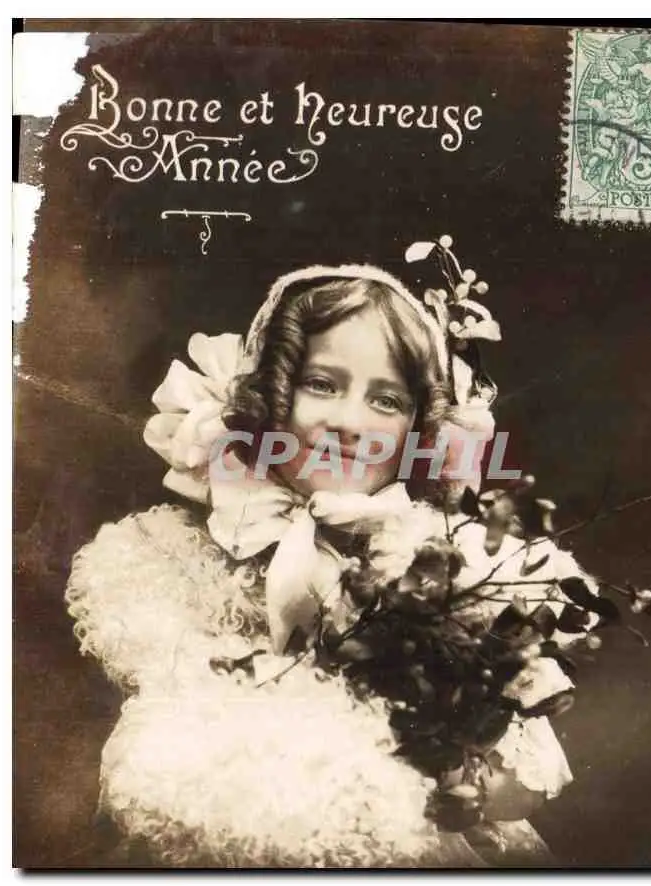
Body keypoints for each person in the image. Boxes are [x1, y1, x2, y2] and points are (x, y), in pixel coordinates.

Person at [66, 262, 587, 868]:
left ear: (419, 430)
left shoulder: (442, 562)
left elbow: (524, 782)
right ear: (269, 393)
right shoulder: (167, 561)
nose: (350, 423)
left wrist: (452, 752)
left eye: (386, 400)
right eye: (321, 384)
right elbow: (175, 771)